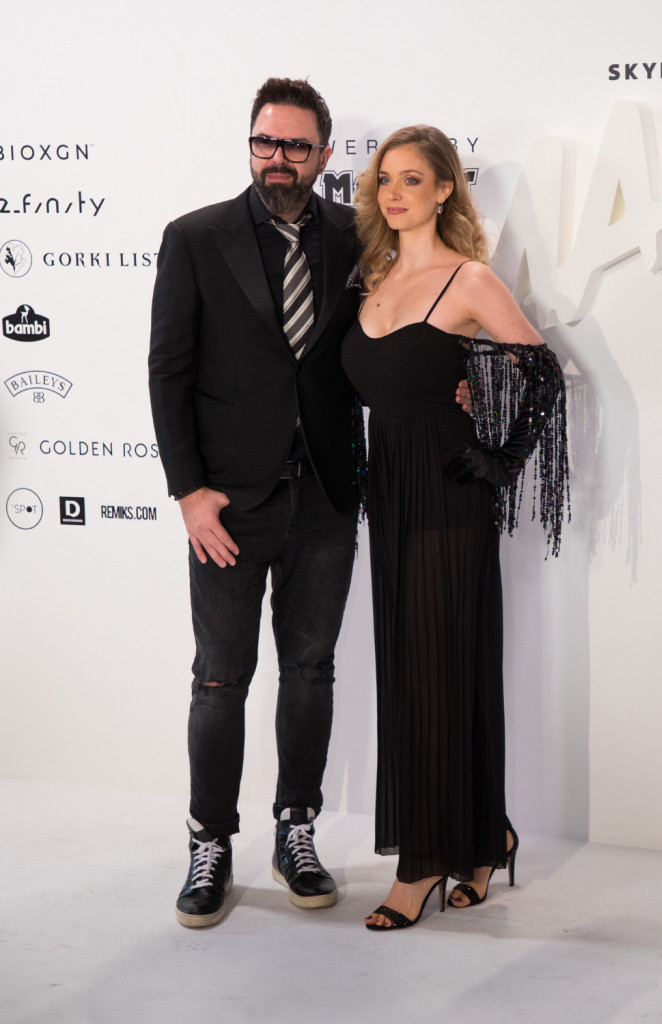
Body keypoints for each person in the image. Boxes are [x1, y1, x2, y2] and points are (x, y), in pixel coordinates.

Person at [149, 78, 364, 927]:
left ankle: (294, 832)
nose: (278, 158)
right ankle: (209, 841)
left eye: (295, 146)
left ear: (323, 154)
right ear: (250, 145)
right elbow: (168, 371)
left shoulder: (356, 236)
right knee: (219, 678)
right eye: (264, 142)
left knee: (310, 670)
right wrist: (188, 493)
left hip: (327, 497)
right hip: (229, 505)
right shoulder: (195, 237)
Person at [341, 125, 568, 930]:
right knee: (415, 673)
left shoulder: (467, 279)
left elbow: (542, 374)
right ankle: (483, 836)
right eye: (384, 180)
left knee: (439, 671)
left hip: (447, 495)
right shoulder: (371, 278)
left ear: (444, 190)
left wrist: (499, 462)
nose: (393, 193)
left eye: (412, 179)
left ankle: (422, 866)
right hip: (390, 496)